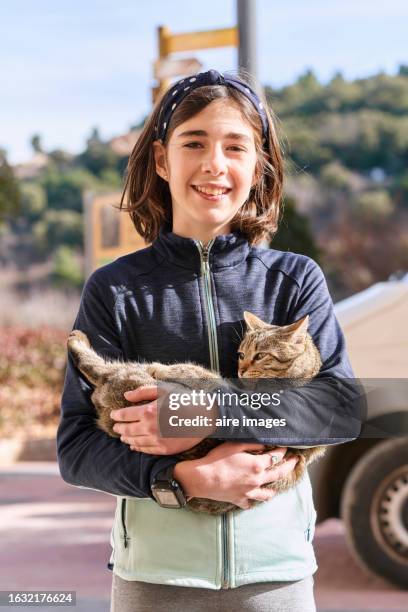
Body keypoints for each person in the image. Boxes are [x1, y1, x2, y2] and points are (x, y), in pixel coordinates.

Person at [57, 69, 359, 612]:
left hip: (278, 579)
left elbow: (337, 410)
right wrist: (180, 479)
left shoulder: (294, 279)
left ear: (257, 164)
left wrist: (203, 412)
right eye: (193, 142)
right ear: (160, 160)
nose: (214, 163)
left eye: (235, 146)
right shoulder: (116, 289)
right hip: (155, 579)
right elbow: (76, 449)